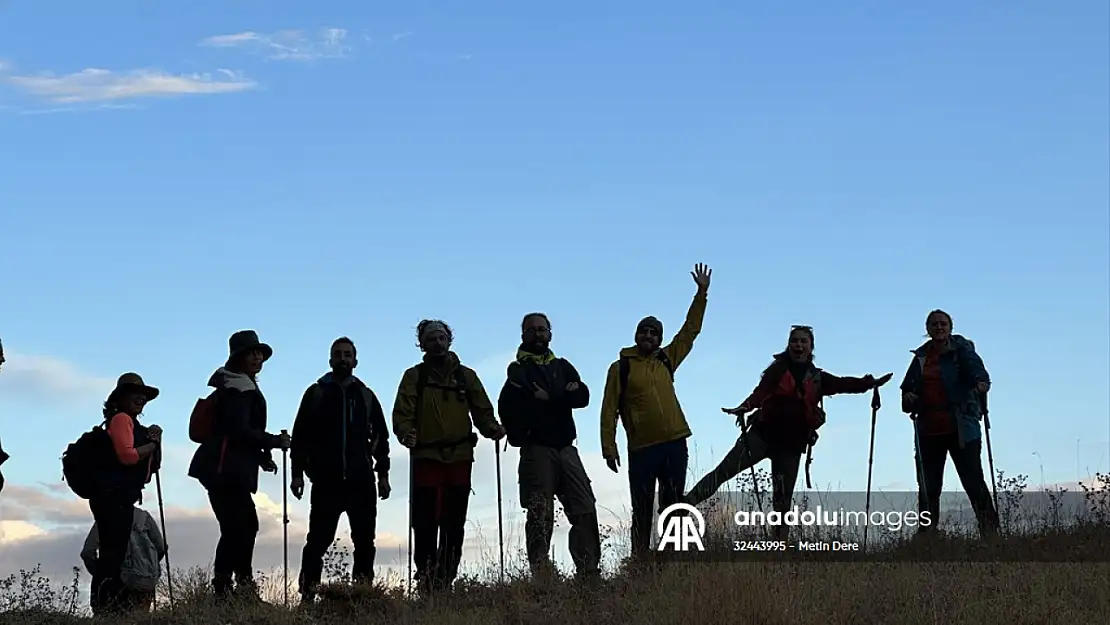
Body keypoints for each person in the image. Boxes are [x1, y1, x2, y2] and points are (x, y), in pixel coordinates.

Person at [683, 326, 892, 541]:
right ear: (789, 345)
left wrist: (869, 383)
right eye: (795, 341)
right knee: (724, 471)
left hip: (790, 446)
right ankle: (685, 504)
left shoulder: (818, 378)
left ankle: (778, 550)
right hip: (762, 436)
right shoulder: (777, 371)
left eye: (803, 341)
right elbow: (760, 393)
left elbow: (844, 384)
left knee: (782, 502)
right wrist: (745, 407)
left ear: (811, 347)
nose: (798, 345)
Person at [599, 263, 711, 558]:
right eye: (644, 330)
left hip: (675, 443)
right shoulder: (621, 367)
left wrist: (701, 294)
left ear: (660, 339)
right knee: (642, 508)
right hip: (642, 449)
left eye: (654, 332)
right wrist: (608, 448)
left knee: (673, 505)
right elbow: (608, 409)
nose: (648, 334)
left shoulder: (666, 360)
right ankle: (640, 561)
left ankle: (671, 560)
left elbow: (690, 331)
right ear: (636, 335)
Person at [392, 319, 506, 595]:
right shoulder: (414, 377)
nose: (438, 343)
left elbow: (481, 408)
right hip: (427, 457)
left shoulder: (466, 377)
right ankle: (427, 581)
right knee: (425, 523)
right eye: (432, 339)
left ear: (449, 340)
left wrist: (492, 428)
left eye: (441, 338)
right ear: (422, 344)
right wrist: (406, 433)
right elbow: (402, 412)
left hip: (459, 457)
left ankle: (445, 582)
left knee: (454, 524)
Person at [187, 330, 291, 600]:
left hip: (221, 468)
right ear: (239, 357)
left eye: (259, 353)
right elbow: (240, 431)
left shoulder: (233, 386)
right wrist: (274, 442)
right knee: (240, 528)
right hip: (226, 470)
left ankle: (233, 589)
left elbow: (235, 433)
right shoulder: (240, 389)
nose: (257, 357)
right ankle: (231, 591)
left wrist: (261, 456)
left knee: (240, 527)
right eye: (252, 352)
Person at [497, 312, 600, 580]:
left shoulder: (563, 366)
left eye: (542, 329)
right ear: (523, 335)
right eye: (532, 330)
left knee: (584, 506)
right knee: (540, 514)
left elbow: (583, 395)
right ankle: (542, 575)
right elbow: (507, 408)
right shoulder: (517, 372)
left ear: (550, 333)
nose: (538, 334)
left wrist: (549, 397)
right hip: (537, 450)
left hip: (566, 448)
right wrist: (526, 433)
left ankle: (589, 572)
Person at [290, 337, 392, 602]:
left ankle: (363, 595)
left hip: (361, 480)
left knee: (365, 542)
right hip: (326, 481)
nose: (343, 358)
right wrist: (297, 474)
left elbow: (382, 437)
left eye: (347, 354)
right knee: (317, 542)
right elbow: (299, 436)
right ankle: (308, 596)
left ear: (355, 361)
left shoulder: (366, 395)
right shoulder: (316, 393)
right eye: (338, 354)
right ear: (330, 359)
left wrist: (383, 475)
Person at [900, 309, 998, 537]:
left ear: (950, 327)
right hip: (929, 429)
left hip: (961, 427)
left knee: (973, 481)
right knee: (928, 487)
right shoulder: (921, 357)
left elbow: (977, 371)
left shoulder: (962, 351)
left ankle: (990, 532)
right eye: (934, 324)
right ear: (927, 329)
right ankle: (928, 535)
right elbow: (907, 388)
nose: (939, 327)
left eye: (942, 323)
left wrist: (981, 383)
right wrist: (908, 398)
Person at [89, 373, 163, 614]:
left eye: (143, 395)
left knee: (115, 552)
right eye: (135, 393)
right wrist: (152, 445)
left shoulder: (130, 423)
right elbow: (128, 456)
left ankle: (109, 608)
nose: (141, 398)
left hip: (116, 496)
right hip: (113, 496)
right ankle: (107, 608)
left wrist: (153, 442)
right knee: (113, 553)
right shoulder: (122, 419)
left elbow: (149, 469)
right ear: (121, 398)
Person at [82, 505, 166, 615]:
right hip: (141, 582)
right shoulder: (144, 517)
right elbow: (160, 548)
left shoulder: (105, 518)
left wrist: (99, 573)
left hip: (109, 586)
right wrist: (145, 565)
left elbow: (87, 552)